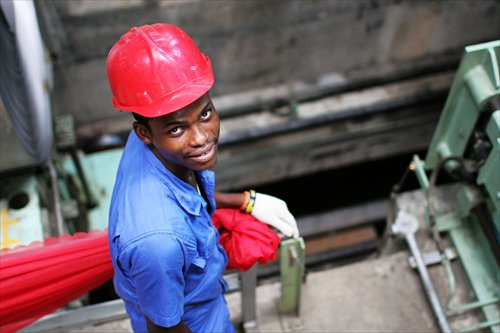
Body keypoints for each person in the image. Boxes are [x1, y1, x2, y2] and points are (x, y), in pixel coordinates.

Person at [106, 23, 299, 333]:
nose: (201, 138)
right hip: (194, 322)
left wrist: (245, 201)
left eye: (206, 113)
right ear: (144, 133)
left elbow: (183, 198)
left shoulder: (149, 141)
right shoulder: (158, 243)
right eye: (177, 129)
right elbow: (165, 328)